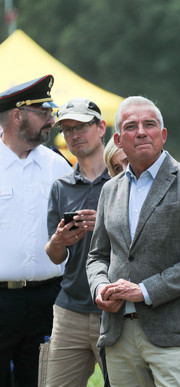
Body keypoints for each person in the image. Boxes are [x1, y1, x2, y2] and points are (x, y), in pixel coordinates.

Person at [86, 96, 180, 387]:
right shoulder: (109, 190)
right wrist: (99, 287)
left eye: (150, 124)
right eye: (131, 126)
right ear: (118, 140)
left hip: (174, 334)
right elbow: (97, 255)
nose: (142, 132)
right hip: (118, 332)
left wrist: (145, 290)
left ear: (163, 134)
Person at [0, 75, 71, 387]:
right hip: (0, 300)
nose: (51, 120)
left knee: (40, 380)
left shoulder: (59, 167)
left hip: (46, 299)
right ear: (17, 115)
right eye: (43, 113)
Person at [44, 98, 110, 386]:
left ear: (101, 127)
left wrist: (106, 224)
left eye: (82, 126)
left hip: (115, 310)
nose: (74, 135)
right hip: (69, 310)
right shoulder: (60, 187)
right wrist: (59, 241)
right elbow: (55, 256)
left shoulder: (125, 179)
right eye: (67, 130)